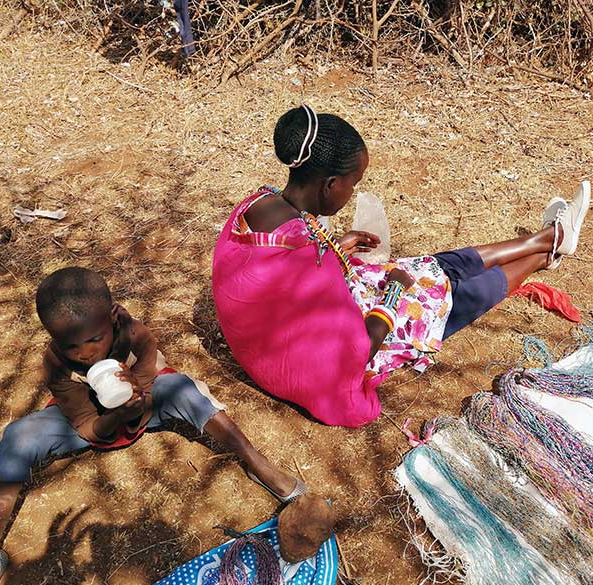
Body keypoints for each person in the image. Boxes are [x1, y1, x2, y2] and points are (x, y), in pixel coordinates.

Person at [212, 104, 590, 429]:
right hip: (308, 366)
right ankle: (544, 252)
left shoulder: (255, 207)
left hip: (270, 348)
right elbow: (358, 349)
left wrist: (338, 246)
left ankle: (546, 240)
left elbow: (281, 273)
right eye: (353, 183)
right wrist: (394, 290)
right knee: (437, 297)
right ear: (329, 185)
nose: (353, 191)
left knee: (425, 269)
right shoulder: (313, 259)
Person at [0, 267, 312, 585]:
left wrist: (138, 396)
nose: (85, 353)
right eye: (71, 346)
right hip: (94, 423)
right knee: (17, 437)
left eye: (94, 339)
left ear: (113, 318)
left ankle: (256, 461)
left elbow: (150, 374)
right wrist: (116, 416)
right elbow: (89, 427)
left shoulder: (131, 332)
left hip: (142, 404)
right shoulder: (56, 364)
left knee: (186, 388)